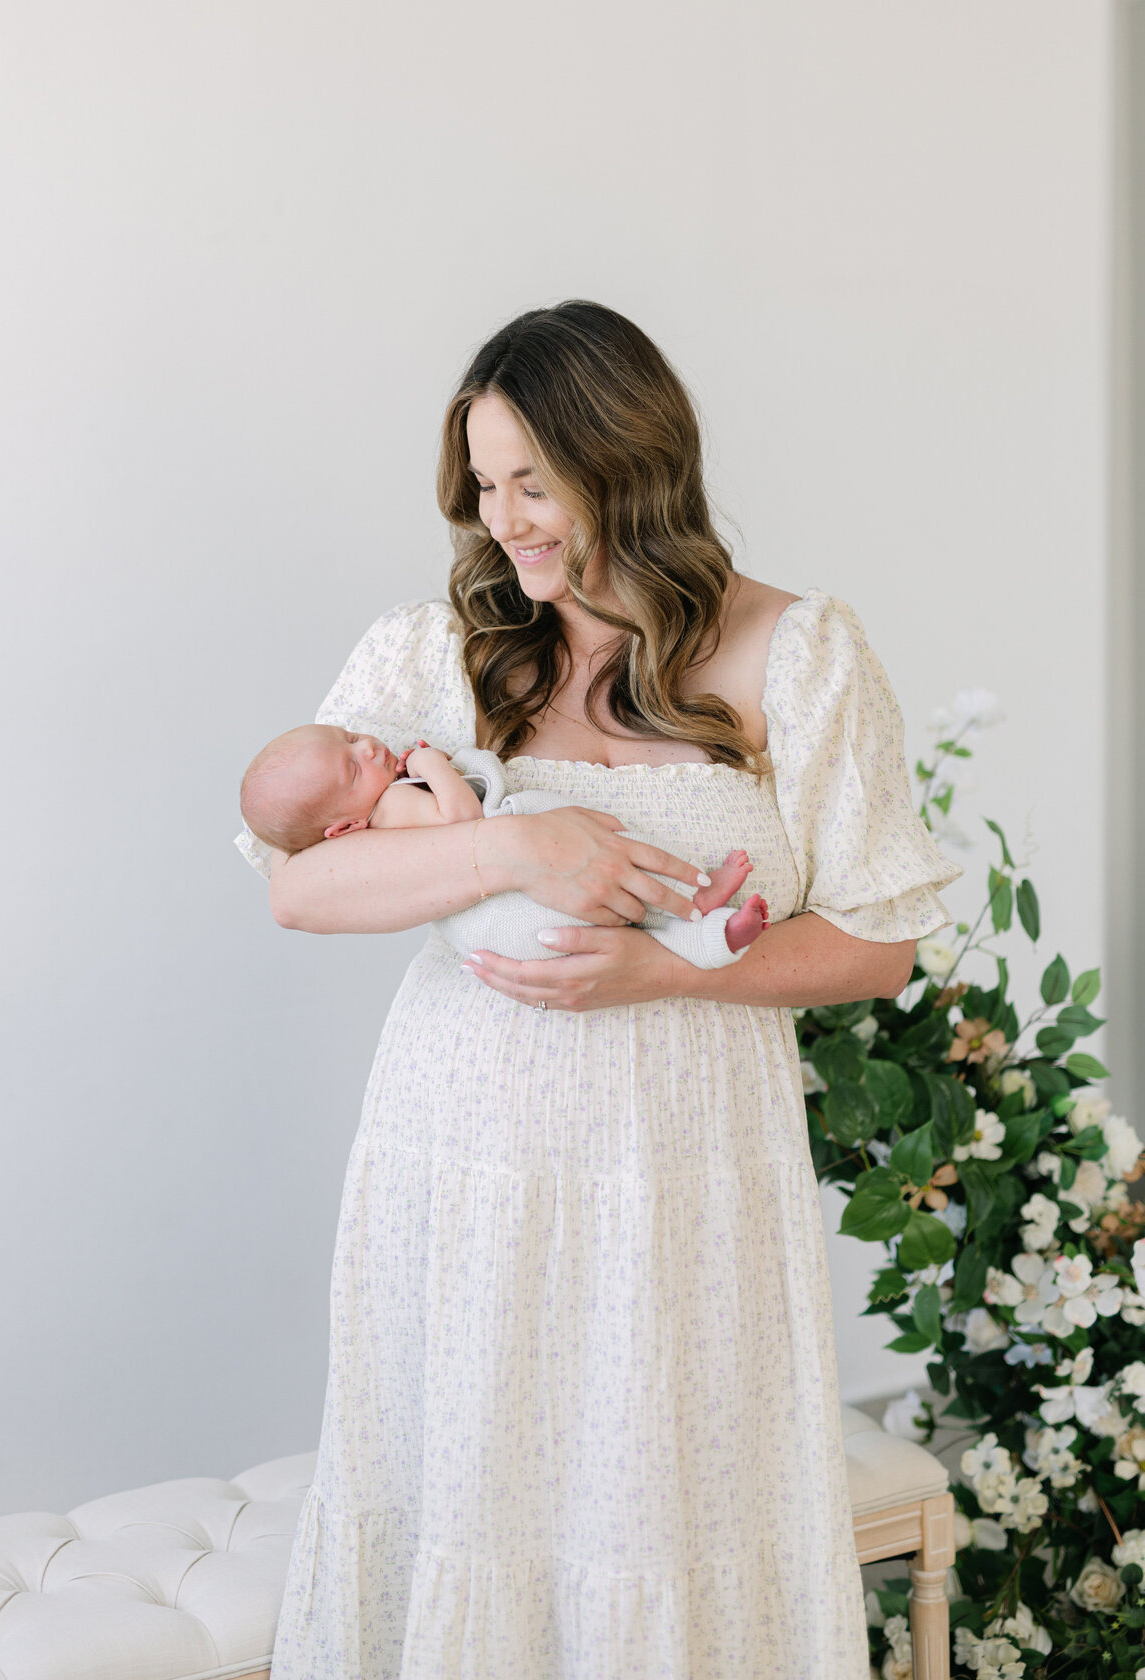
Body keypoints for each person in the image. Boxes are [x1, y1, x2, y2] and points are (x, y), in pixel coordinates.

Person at [234, 299, 964, 1679]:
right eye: (483, 484)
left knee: (664, 1525)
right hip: (464, 1172)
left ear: (630, 459)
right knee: (469, 1518)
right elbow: (298, 886)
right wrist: (515, 843)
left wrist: (649, 969)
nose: (503, 521)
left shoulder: (793, 654)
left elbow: (878, 944)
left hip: (684, 1184)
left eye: (533, 482)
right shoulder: (430, 655)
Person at [236, 726, 770, 967]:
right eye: (354, 765)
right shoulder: (393, 808)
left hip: (525, 928)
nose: (368, 746)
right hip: (517, 904)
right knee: (609, 852)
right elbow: (463, 819)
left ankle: (710, 935)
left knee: (631, 909)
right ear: (344, 829)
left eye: (350, 734)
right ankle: (699, 902)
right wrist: (429, 765)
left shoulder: (371, 808)